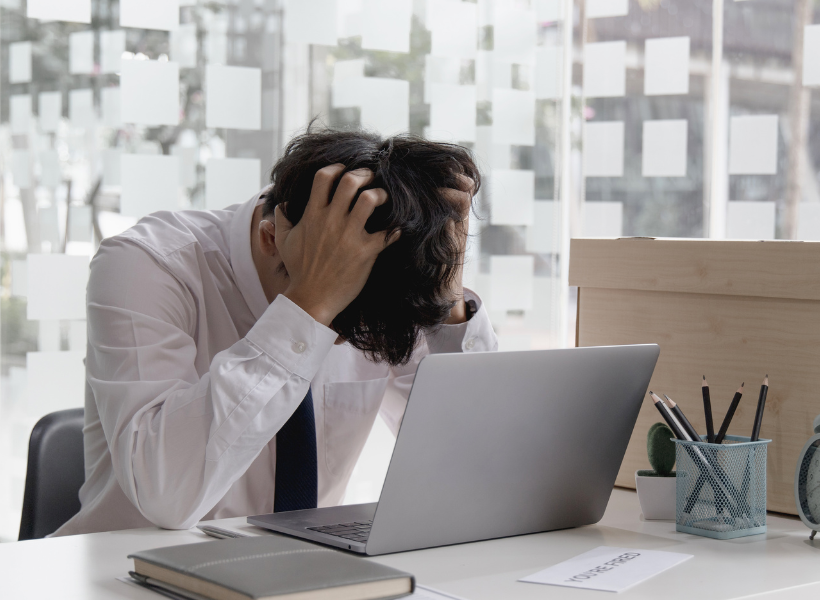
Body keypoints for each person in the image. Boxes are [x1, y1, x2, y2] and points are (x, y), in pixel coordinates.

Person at [54, 128, 497, 535]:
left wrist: (446, 301)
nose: (340, 344)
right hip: (130, 581)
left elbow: (472, 465)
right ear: (272, 239)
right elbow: (167, 498)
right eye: (340, 326)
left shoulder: (382, 262)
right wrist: (311, 304)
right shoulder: (149, 264)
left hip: (299, 580)